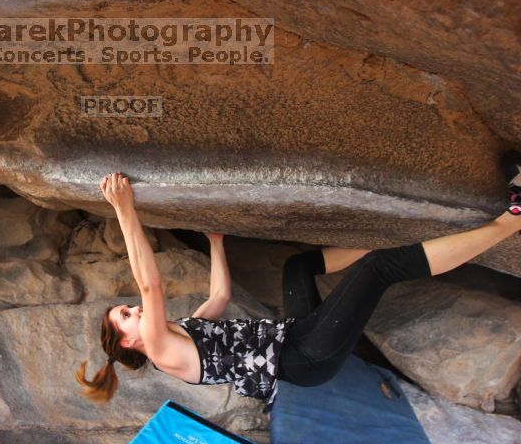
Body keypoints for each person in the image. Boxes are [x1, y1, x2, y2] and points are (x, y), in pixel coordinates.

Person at [76, 151, 521, 408]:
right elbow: (150, 284)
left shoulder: (184, 331)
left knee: (298, 268)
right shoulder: (159, 348)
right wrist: (123, 209)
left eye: (127, 309)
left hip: (294, 335)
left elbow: (220, 295)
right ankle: (511, 221)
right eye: (126, 317)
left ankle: (381, 243)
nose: (134, 309)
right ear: (129, 342)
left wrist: (215, 242)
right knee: (379, 271)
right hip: (305, 358)